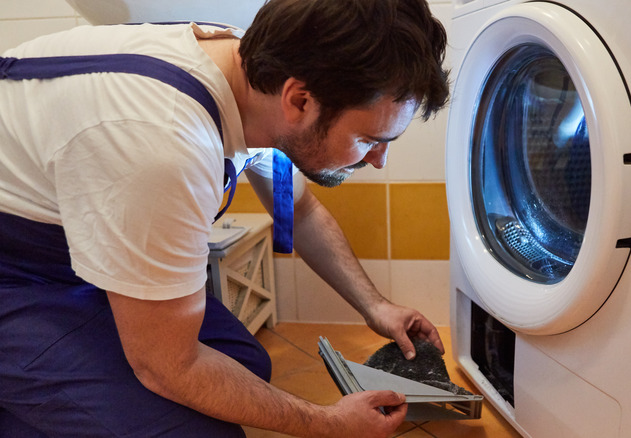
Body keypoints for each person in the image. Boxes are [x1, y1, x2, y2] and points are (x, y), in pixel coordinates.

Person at [0, 0, 449, 436]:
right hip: (15, 272)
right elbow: (166, 366)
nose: (379, 160)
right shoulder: (165, 143)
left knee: (243, 363)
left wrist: (377, 307)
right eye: (370, 138)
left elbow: (298, 209)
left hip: (76, 250)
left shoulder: (254, 77)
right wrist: (328, 424)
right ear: (301, 100)